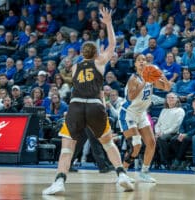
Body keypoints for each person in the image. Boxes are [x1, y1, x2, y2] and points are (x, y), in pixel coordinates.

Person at [42, 8, 134, 195]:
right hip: (95, 106)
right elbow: (113, 45)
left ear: (82, 54)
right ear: (96, 53)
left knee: (67, 149)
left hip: (76, 105)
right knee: (108, 144)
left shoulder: (75, 66)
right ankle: (122, 174)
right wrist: (108, 23)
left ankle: (59, 181)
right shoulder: (99, 62)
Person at [118, 54, 171, 183]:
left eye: (144, 60)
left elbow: (167, 87)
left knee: (152, 143)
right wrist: (145, 82)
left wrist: (160, 74)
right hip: (128, 113)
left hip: (141, 114)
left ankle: (144, 172)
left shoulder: (151, 76)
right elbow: (131, 97)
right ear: (135, 64)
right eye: (139, 60)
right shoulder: (133, 79)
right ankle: (122, 173)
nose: (142, 62)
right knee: (136, 145)